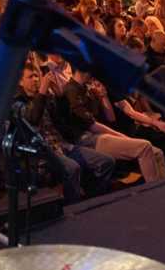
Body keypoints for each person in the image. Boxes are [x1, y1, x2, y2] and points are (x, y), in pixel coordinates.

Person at [17, 65, 114, 203]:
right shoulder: (19, 102)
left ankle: (93, 201)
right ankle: (73, 207)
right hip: (44, 152)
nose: (35, 79)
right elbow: (32, 119)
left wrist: (59, 96)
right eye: (30, 77)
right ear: (20, 82)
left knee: (106, 162)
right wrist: (42, 93)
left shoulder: (46, 97)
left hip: (63, 145)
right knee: (72, 168)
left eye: (36, 76)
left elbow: (64, 118)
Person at [63, 68, 165, 182]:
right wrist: (122, 136)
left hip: (100, 135)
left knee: (157, 153)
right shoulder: (71, 90)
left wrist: (103, 96)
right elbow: (92, 125)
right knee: (144, 146)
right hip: (87, 138)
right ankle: (155, 194)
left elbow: (110, 118)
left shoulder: (87, 88)